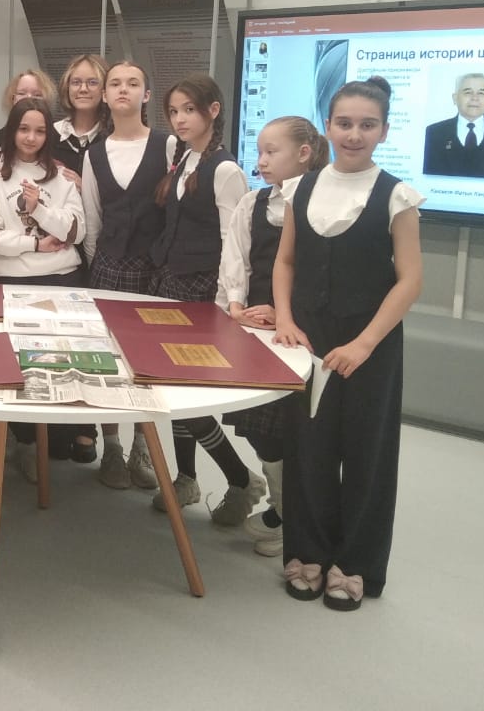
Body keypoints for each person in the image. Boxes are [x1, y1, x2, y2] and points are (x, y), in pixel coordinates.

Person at [273, 76, 423, 611]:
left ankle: (355, 562)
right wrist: (284, 318)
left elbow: (410, 280)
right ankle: (307, 551)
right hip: (309, 340)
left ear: (384, 130)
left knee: (366, 453)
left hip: (370, 344)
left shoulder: (396, 196)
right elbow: (285, 261)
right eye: (344, 123)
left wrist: (363, 344)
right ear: (328, 126)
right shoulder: (301, 188)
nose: (354, 134)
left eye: (367, 124)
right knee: (308, 448)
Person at [148, 75, 263, 526]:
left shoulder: (225, 169)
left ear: (213, 111)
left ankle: (240, 478)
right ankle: (187, 477)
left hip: (201, 290)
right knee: (172, 391)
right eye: (174, 111)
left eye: (189, 110)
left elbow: (234, 243)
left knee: (183, 395)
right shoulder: (183, 157)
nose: (180, 119)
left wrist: (224, 303)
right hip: (171, 283)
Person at [215, 116, 328, 557]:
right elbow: (235, 259)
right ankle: (283, 507)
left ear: (304, 153)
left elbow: (320, 275)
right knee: (257, 426)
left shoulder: (321, 205)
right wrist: (236, 307)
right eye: (259, 151)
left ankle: (294, 516)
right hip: (255, 332)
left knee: (294, 428)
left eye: (271, 152)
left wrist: (284, 314)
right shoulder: (254, 202)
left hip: (302, 334)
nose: (261, 161)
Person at [0, 97, 85, 484]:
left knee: (59, 367)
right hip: (14, 282)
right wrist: (35, 244)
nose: (31, 137)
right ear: (12, 131)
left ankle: (51, 443)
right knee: (20, 370)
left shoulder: (62, 177)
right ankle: (22, 443)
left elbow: (76, 232)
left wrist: (39, 209)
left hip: (61, 281)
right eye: (24, 129)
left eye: (40, 131)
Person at [82, 61, 174, 487]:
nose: (123, 90)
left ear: (146, 95)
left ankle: (142, 446)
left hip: (151, 268)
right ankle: (111, 448)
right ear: (104, 95)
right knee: (106, 360)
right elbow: (92, 216)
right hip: (108, 265)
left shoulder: (167, 145)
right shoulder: (94, 153)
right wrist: (97, 261)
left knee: (146, 361)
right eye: (115, 83)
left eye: (133, 83)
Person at [422, 72, 484, 179]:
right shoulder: (433, 133)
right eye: (468, 92)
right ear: (455, 98)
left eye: (481, 93)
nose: (475, 98)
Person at [0, 69, 58, 179]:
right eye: (22, 93)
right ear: (12, 99)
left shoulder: (59, 141)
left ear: (47, 101)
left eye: (37, 95)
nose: (29, 98)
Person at [52, 54, 109, 188]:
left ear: (105, 90)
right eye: (76, 82)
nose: (83, 89)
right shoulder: (49, 135)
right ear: (67, 87)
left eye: (92, 82)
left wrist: (86, 188)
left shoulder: (112, 139)